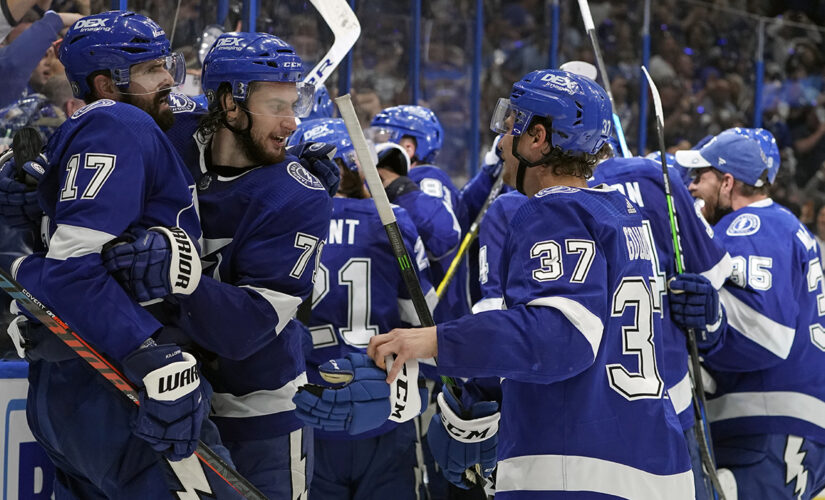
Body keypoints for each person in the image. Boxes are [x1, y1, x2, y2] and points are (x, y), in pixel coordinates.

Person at [368, 69, 695, 498]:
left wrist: (430, 343)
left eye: (508, 130)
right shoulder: (623, 213)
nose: (502, 144)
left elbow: (559, 336)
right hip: (657, 463)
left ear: (537, 138)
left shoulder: (554, 212)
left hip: (577, 468)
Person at [6, 11, 242, 498]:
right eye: (152, 70)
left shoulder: (78, 130)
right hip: (122, 386)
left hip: (66, 389)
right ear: (105, 84)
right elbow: (71, 268)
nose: (168, 81)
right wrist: (145, 352)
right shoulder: (121, 121)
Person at [104, 31, 336, 499]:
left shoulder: (298, 195)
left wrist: (182, 274)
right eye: (276, 106)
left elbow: (248, 329)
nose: (292, 122)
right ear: (230, 104)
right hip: (169, 398)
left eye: (295, 104)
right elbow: (104, 127)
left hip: (258, 412)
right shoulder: (173, 133)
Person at [671, 128, 825, 499]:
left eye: (701, 176)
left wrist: (712, 321)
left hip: (767, 426)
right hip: (791, 427)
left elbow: (766, 331)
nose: (692, 187)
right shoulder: (785, 228)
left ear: (727, 182)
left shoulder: (752, 224)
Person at [288, 117, 435, 499]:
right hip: (384, 407)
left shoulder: (284, 222)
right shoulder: (392, 223)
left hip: (308, 409)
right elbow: (425, 321)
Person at [369, 105, 466, 321]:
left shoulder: (426, 177)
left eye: (382, 135)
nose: (373, 141)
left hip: (435, 318)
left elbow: (442, 237)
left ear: (409, 146)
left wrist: (400, 189)